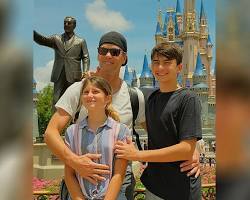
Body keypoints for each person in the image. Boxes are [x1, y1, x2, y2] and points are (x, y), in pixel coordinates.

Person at [44, 31, 200, 200]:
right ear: (98, 55)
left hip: (121, 184)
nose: (108, 55)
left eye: (115, 52)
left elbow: (161, 132)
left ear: (124, 58)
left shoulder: (135, 96)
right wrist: (75, 162)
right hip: (81, 181)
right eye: (103, 51)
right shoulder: (79, 90)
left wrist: (193, 150)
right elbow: (50, 133)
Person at [115, 43, 202, 200]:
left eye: (167, 63)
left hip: (181, 188)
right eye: (156, 62)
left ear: (179, 67)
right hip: (154, 187)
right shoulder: (150, 98)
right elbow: (119, 89)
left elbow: (186, 149)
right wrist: (93, 78)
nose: (160, 67)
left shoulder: (188, 99)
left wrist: (138, 155)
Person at [64, 76, 130, 200]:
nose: (90, 95)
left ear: (108, 98)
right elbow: (69, 174)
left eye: (95, 91)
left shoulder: (121, 131)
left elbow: (118, 175)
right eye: (86, 92)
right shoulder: (72, 132)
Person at [33, 16, 90, 110]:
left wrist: (85, 72)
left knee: (74, 99)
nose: (66, 25)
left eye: (69, 23)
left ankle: (74, 122)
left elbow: (86, 57)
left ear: (74, 25)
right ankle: (55, 122)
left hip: (74, 75)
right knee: (56, 99)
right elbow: (42, 40)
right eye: (65, 23)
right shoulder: (56, 38)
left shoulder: (81, 41)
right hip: (59, 74)